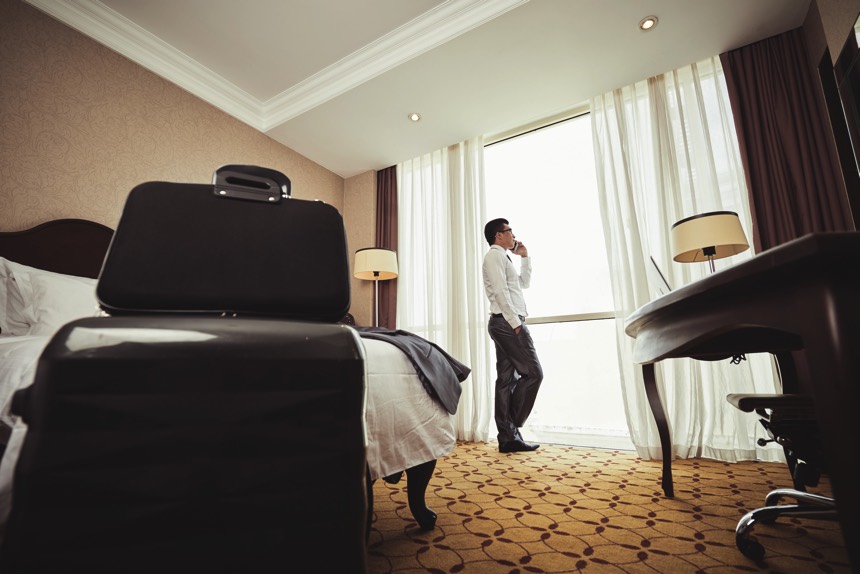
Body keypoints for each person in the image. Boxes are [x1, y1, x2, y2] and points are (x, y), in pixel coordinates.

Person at [482, 218, 544, 453]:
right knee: (534, 374)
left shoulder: (504, 258)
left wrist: (525, 257)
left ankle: (508, 439)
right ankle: (511, 425)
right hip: (507, 323)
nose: (514, 235)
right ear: (499, 235)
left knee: (506, 380)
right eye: (510, 231)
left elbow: (522, 284)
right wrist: (515, 324)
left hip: (504, 322)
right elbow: (500, 292)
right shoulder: (494, 256)